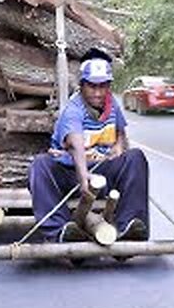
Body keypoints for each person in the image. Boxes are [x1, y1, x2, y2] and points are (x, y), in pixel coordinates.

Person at [28, 57, 150, 242]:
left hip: (103, 173)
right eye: (92, 86)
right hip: (73, 176)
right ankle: (60, 231)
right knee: (40, 165)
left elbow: (121, 132)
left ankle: (131, 225)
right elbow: (76, 144)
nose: (98, 92)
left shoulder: (111, 103)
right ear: (82, 86)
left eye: (103, 86)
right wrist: (84, 177)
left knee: (136, 157)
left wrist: (118, 146)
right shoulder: (74, 109)